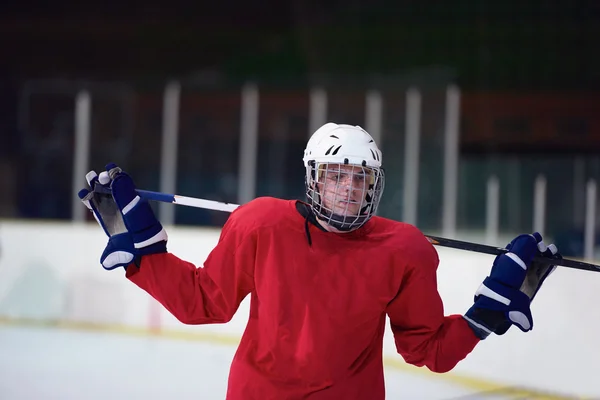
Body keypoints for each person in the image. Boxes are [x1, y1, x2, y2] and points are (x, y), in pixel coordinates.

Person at [78, 122, 561, 400]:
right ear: (314, 177)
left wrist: (485, 315)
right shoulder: (261, 224)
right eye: (337, 175)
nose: (349, 188)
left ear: (373, 186)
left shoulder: (404, 249)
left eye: (360, 179)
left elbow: (427, 352)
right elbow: (206, 301)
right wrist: (143, 252)